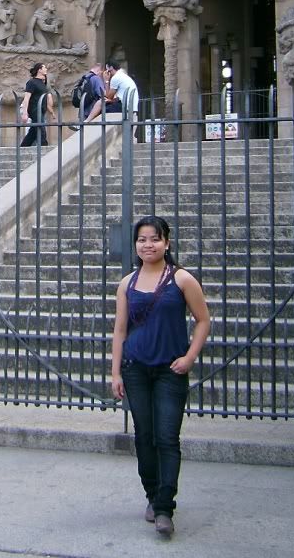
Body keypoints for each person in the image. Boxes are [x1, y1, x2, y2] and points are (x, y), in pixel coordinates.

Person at [111, 217, 210, 539]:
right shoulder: (127, 283)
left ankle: (166, 507)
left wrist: (189, 357)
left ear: (167, 242)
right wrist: (115, 372)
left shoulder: (182, 279)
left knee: (167, 437)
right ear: (136, 244)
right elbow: (120, 330)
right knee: (144, 436)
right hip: (136, 367)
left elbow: (203, 320)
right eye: (142, 240)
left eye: (154, 239)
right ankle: (152, 496)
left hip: (170, 369)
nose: (148, 245)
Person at [19, 62, 54, 147]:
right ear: (39, 70)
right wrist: (24, 113)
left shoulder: (43, 84)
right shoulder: (32, 82)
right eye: (44, 67)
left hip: (41, 110)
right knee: (41, 129)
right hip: (34, 109)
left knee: (33, 132)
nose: (46, 69)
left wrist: (51, 112)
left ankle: (23, 148)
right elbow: (26, 98)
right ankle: (45, 148)